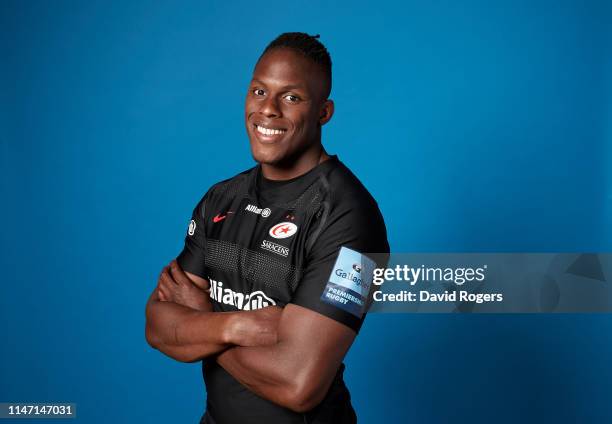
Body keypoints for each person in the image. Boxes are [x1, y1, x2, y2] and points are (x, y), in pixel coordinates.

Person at [145, 32, 389, 424]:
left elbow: (298, 385)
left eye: (291, 97)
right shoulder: (220, 199)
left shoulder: (350, 217)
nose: (268, 110)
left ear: (324, 112)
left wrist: (204, 323)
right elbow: (158, 326)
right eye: (259, 91)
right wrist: (237, 325)